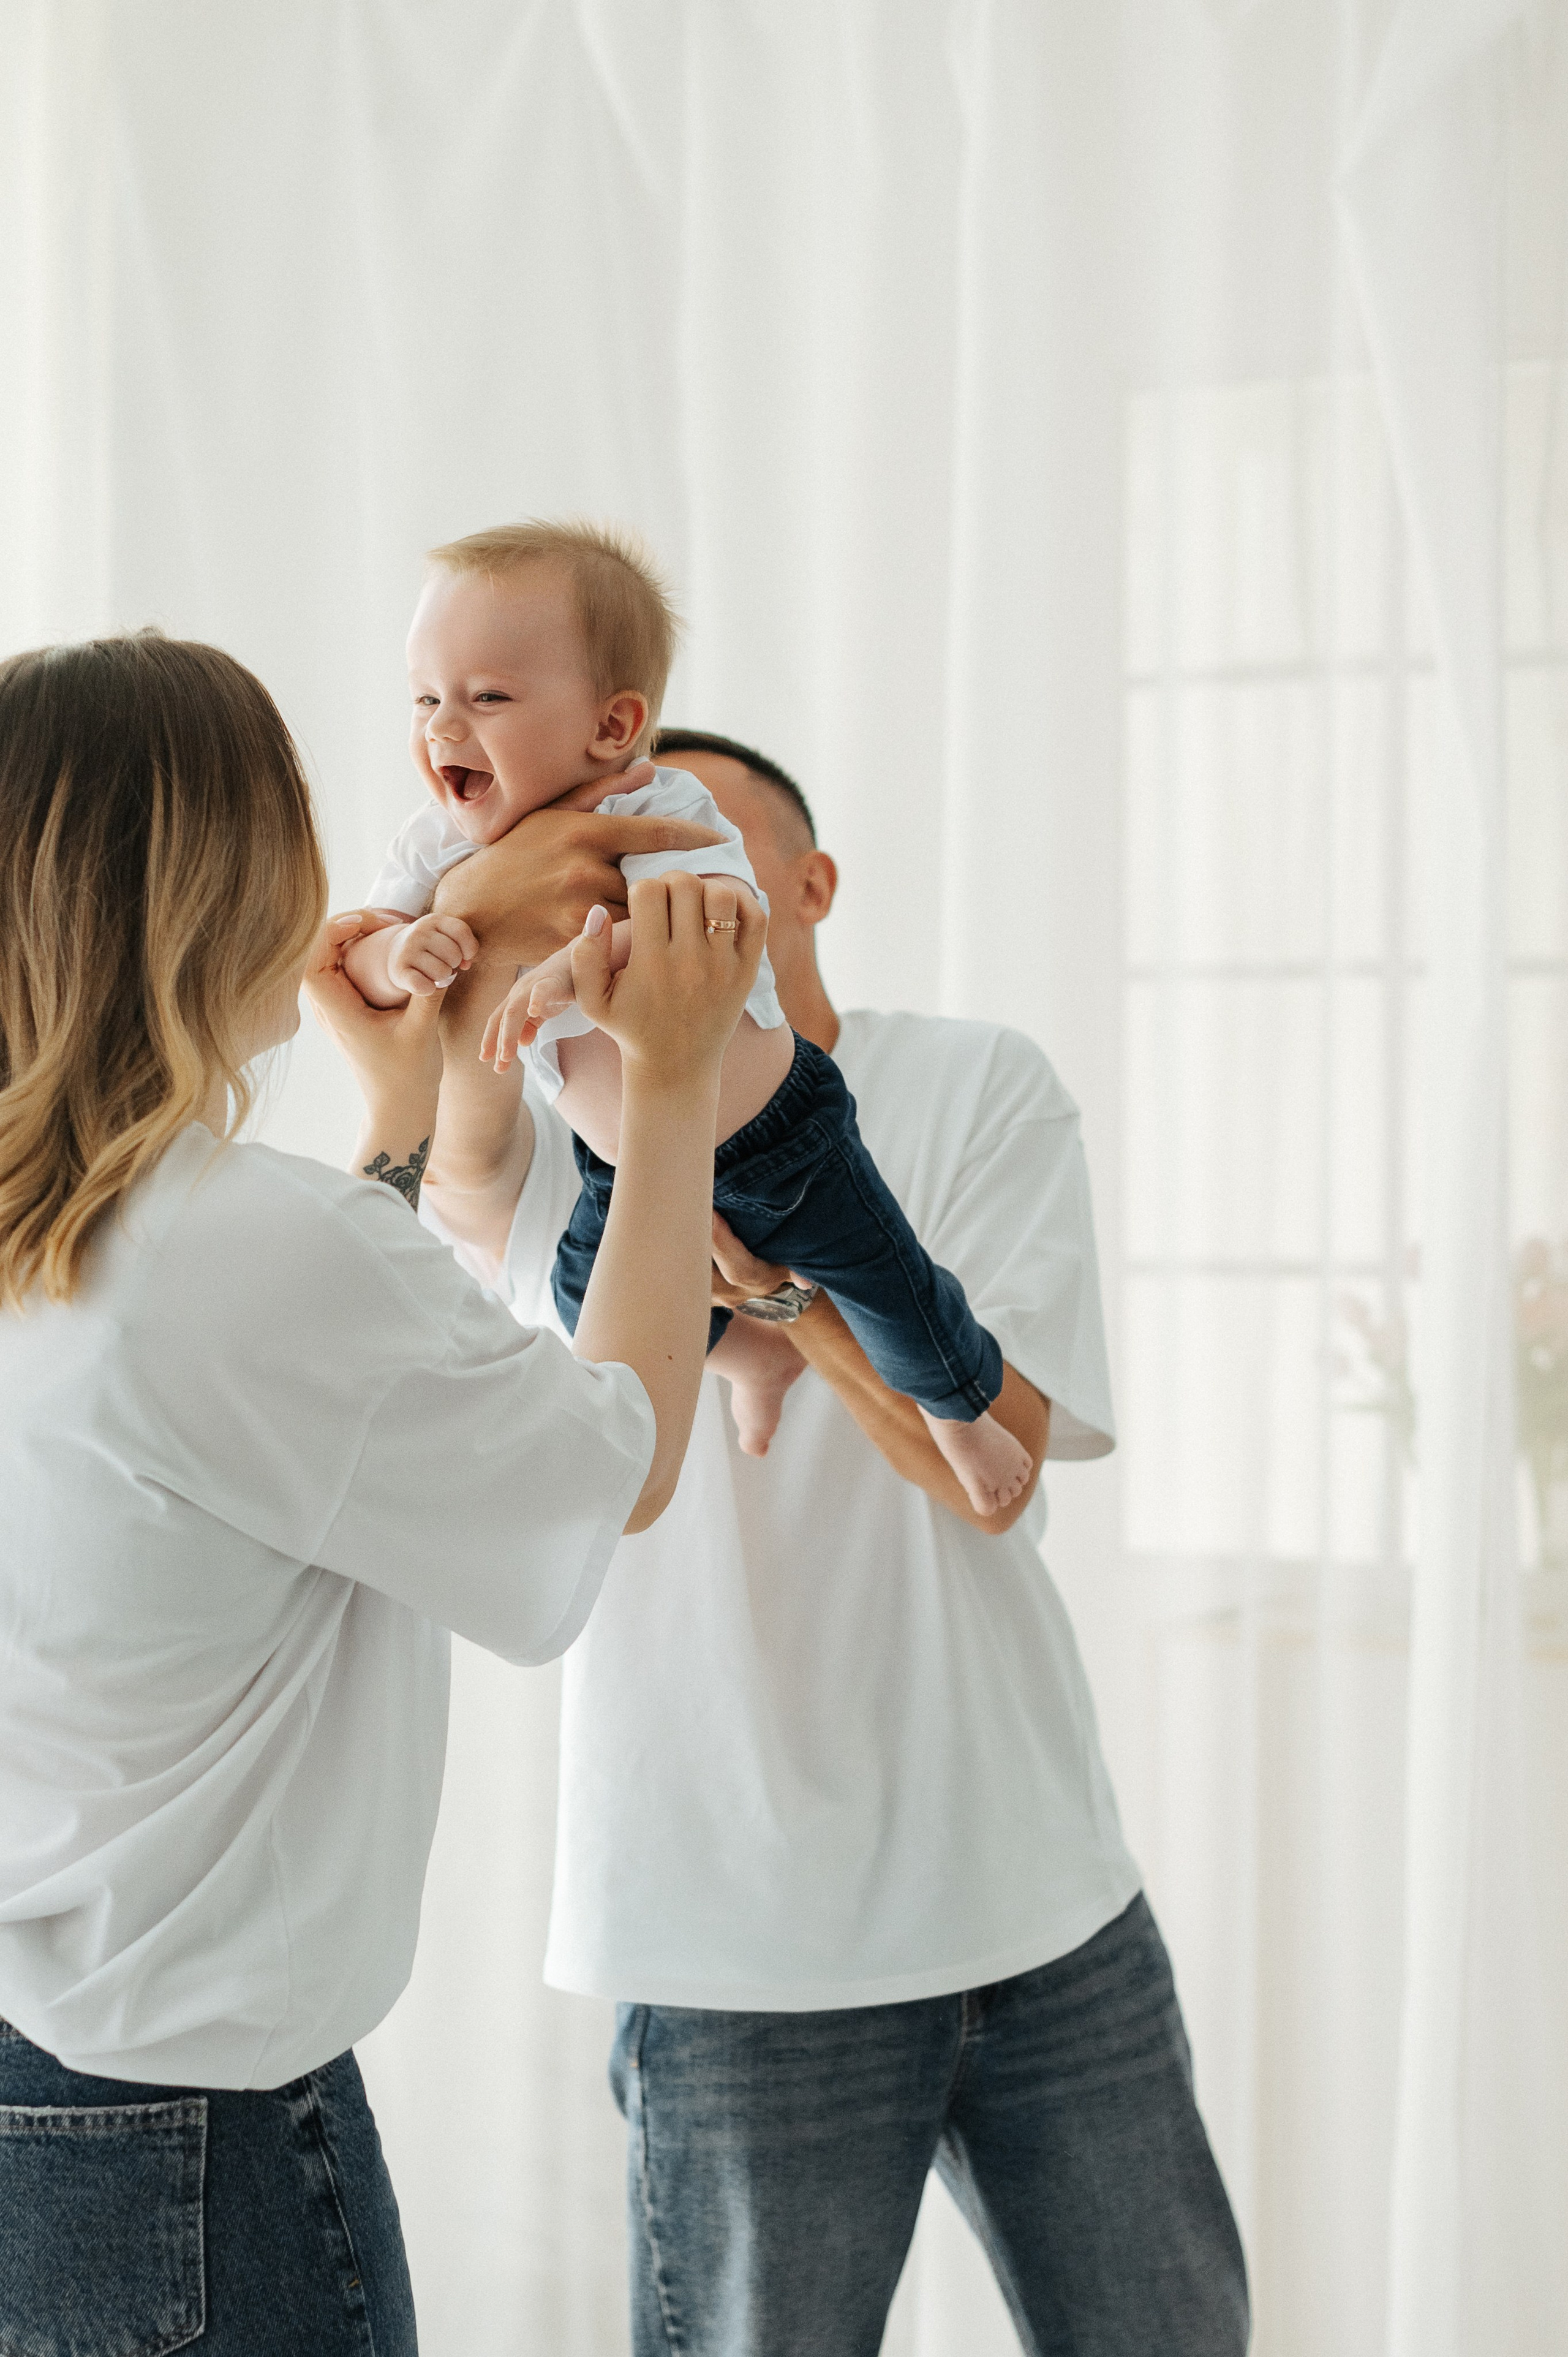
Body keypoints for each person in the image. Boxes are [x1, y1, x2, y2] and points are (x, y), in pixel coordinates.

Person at [420, 728, 1251, 2357]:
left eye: (703, 852)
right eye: (621, 857)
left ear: (801, 885)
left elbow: (992, 1470)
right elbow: (524, 1318)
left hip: (1039, 1893)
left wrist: (788, 1302)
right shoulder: (562, 1107)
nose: (666, 894)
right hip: (732, 1943)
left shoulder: (978, 1082)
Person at [0, 633, 761, 2356]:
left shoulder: (103, 1243)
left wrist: (406, 1122)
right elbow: (613, 1459)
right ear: (226, 882)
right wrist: (674, 1082)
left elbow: (260, 1422)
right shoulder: (243, 1249)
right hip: (188, 2152)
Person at [347, 519, 1030, 1515]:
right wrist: (397, 949)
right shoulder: (442, 847)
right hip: (620, 1165)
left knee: (894, 1288)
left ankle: (960, 1411)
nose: (444, 730)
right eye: (425, 698)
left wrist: (562, 978)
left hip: (781, 1137)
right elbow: (362, 941)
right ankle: (748, 1362)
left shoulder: (660, 811)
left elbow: (693, 945)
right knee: (590, 1310)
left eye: (487, 698)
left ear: (614, 728)